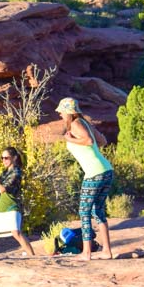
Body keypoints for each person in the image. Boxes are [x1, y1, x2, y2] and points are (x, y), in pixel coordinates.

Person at [56, 97, 114, 260]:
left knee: (84, 211)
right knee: (98, 211)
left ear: (68, 112)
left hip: (94, 173)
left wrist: (71, 139)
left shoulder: (76, 124)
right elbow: (101, 140)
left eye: (61, 111)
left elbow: (88, 141)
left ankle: (86, 253)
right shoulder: (85, 123)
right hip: (106, 170)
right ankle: (106, 251)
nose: (59, 113)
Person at [0, 147, 36, 257]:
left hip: (11, 207)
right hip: (0, 207)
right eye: (2, 158)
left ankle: (33, 256)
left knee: (16, 233)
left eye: (6, 158)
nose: (4, 160)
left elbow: (3, 189)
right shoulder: (5, 173)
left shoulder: (16, 173)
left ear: (14, 158)